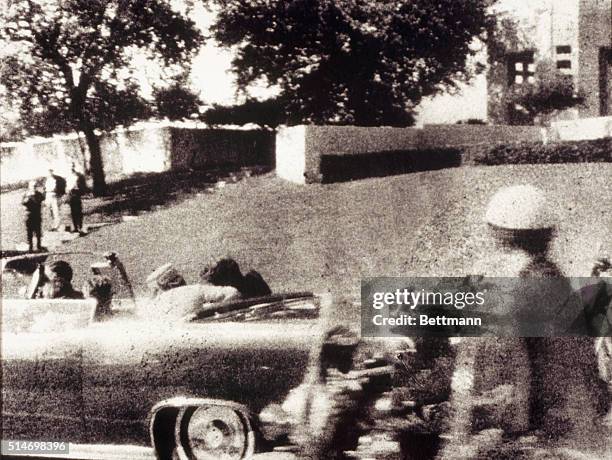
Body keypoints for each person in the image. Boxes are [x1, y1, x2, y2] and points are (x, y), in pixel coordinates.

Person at [441, 185, 607, 458]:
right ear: (548, 236)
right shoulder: (551, 283)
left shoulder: (499, 285)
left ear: (496, 234)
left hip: (520, 436)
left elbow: (478, 379)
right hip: (562, 435)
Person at [22, 180, 45, 252]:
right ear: (29, 187)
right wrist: (27, 199)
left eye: (35, 186)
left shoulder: (39, 194)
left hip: (37, 215)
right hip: (29, 215)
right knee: (29, 232)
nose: (34, 187)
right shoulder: (26, 194)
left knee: (38, 232)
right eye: (32, 186)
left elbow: (42, 200)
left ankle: (39, 246)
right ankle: (30, 247)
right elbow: (23, 203)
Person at [66, 163, 87, 234]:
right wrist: (67, 190)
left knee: (78, 211)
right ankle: (75, 227)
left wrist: (81, 191)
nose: (71, 168)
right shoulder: (68, 176)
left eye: (72, 167)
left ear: (74, 167)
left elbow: (83, 185)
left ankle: (80, 226)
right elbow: (67, 186)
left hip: (77, 193)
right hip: (70, 194)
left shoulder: (78, 175)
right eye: (69, 167)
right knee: (73, 212)